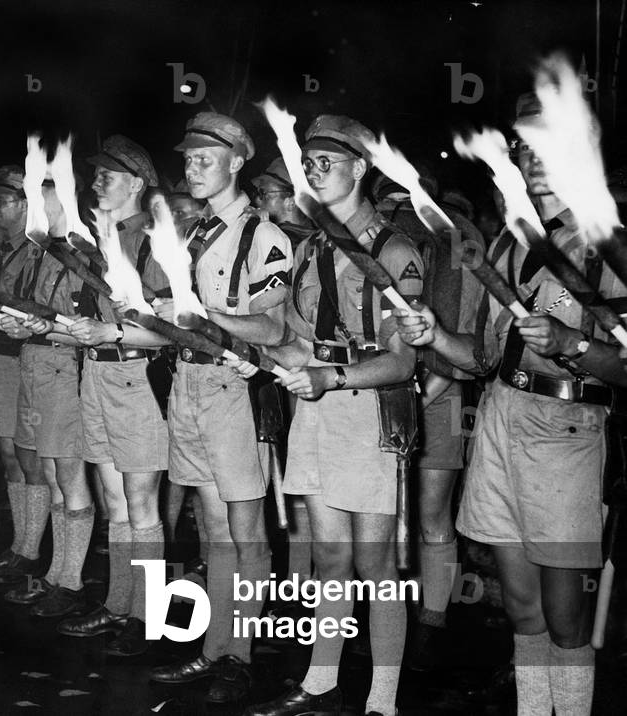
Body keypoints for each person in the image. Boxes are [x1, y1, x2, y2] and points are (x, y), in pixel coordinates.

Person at [393, 92, 627, 716]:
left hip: (566, 430)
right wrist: (434, 336)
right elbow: (488, 354)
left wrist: (574, 343)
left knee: (565, 614)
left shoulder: (606, 247)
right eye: (526, 145)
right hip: (501, 418)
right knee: (522, 608)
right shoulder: (509, 244)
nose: (536, 157)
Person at [247, 115, 423, 716]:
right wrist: (264, 356)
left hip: (370, 414)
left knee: (375, 566)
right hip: (315, 413)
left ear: (360, 169)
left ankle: (383, 699)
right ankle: (320, 683)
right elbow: (299, 338)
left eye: (328, 162)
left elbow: (402, 362)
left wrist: (328, 376)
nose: (316, 172)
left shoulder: (394, 251)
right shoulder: (311, 247)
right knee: (329, 559)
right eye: (311, 163)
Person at [149, 112, 291, 704]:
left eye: (205, 158)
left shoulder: (265, 238)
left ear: (238, 162)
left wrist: (206, 321)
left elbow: (275, 326)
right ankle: (214, 648)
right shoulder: (195, 232)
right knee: (212, 530)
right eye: (187, 158)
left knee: (245, 529)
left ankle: (241, 656)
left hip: (236, 392)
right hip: (190, 384)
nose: (192, 167)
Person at [52, 134, 171, 656]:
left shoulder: (154, 241)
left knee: (142, 504)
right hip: (95, 373)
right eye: (95, 173)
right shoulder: (97, 240)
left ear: (138, 184)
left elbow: (174, 330)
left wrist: (113, 335)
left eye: (109, 174)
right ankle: (119, 603)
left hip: (138, 376)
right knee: (114, 500)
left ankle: (148, 617)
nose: (97, 181)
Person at [372, 173, 487, 671]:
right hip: (380, 386)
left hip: (434, 389)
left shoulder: (453, 235)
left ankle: (431, 623)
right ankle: (393, 622)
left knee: (429, 513)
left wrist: (420, 397)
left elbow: (464, 337)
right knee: (384, 514)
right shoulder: (371, 232)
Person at [0, 172, 94, 619]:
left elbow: (88, 327)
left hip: (62, 368)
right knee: (51, 474)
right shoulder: (40, 252)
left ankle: (70, 579)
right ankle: (54, 572)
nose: (40, 211)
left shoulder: (80, 253)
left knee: (69, 478)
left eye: (47, 203)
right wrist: (22, 325)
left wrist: (44, 327)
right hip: (35, 362)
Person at [0, 165, 50, 585]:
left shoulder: (38, 250)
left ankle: (31, 550)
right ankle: (20, 543)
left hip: (24, 361)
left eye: (3, 202)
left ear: (25, 204)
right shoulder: (0, 248)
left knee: (28, 456)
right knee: (7, 454)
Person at [251, 157, 317, 252]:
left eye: (264, 194)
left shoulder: (281, 243)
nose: (257, 199)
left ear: (291, 203)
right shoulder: (315, 238)